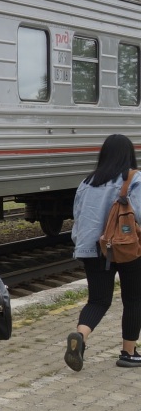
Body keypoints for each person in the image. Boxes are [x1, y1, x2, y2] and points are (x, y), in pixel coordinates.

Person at [65, 134, 141, 370]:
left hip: (93, 249)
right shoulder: (135, 179)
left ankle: (81, 336)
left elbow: (78, 218)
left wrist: (82, 245)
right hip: (128, 248)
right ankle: (128, 353)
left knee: (98, 300)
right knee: (133, 299)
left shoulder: (87, 182)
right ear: (129, 154)